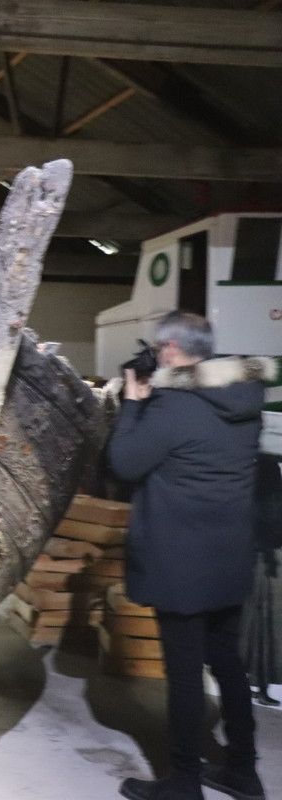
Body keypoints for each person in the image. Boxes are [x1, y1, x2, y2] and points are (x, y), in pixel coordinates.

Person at [108, 311, 275, 800]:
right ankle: (243, 772)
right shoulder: (244, 401)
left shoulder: (173, 408)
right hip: (228, 560)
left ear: (173, 351)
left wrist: (133, 405)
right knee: (227, 665)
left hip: (180, 564)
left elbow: (124, 463)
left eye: (162, 349)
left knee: (183, 674)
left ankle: (183, 781)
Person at [242, 456, 282, 707]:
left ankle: (255, 682)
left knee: (257, 627)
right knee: (263, 628)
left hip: (261, 558)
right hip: (265, 560)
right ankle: (258, 683)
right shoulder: (268, 478)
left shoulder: (257, 476)